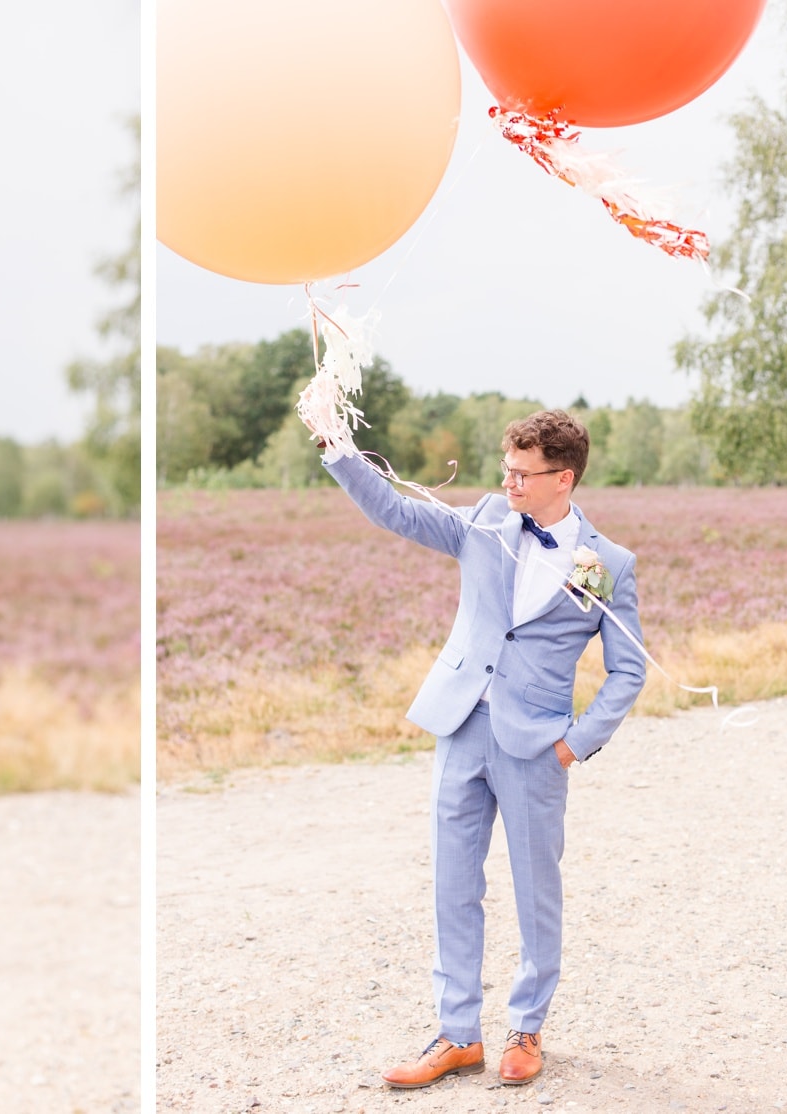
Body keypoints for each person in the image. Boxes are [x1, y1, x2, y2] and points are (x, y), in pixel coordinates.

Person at [319, 409, 646, 1089]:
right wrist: (337, 447)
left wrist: (575, 743)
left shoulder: (605, 564)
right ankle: (456, 1034)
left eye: (524, 474)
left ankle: (526, 1029)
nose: (509, 482)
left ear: (565, 478)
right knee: (453, 886)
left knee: (536, 892)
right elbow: (397, 512)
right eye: (507, 468)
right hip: (460, 725)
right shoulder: (484, 522)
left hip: (537, 748)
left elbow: (629, 669)